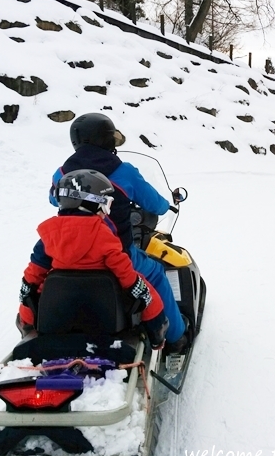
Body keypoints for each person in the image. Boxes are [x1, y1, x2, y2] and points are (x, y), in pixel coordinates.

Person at [48, 113, 188, 353]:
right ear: (107, 140)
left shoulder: (62, 172)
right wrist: (168, 204)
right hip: (116, 255)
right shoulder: (123, 171)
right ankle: (176, 337)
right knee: (155, 272)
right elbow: (153, 203)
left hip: (67, 256)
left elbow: (53, 199)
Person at [18, 169, 169, 349]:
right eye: (106, 205)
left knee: (31, 292)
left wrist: (27, 296)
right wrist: (137, 288)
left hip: (58, 304)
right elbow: (123, 270)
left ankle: (28, 329)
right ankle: (156, 335)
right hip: (102, 309)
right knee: (147, 292)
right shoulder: (103, 234)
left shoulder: (47, 236)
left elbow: (34, 272)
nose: (106, 212)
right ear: (91, 204)